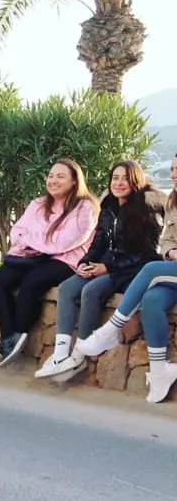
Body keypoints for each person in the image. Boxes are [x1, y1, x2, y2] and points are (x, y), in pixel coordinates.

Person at [37, 160, 162, 380]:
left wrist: (107, 268)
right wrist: (85, 262)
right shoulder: (108, 205)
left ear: (136, 181)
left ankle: (80, 352)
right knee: (67, 288)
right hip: (106, 263)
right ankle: (60, 353)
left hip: (130, 270)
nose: (119, 183)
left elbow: (148, 254)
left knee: (91, 291)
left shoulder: (146, 209)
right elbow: (99, 240)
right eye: (115, 178)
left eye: (125, 178)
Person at [78, 159, 177, 401]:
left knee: (152, 268)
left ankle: (111, 329)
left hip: (163, 269)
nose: (174, 174)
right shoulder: (174, 201)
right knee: (151, 300)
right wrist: (172, 251)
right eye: (173, 169)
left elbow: (150, 247)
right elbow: (166, 241)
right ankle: (159, 370)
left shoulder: (151, 204)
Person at [0, 160, 98, 366]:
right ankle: (10, 336)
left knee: (32, 281)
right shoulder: (38, 204)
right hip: (33, 256)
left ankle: (19, 332)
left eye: (60, 176)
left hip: (66, 260)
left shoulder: (85, 207)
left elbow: (69, 240)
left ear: (74, 181)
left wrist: (33, 239)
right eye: (51, 175)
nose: (53, 180)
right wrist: (37, 240)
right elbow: (17, 231)